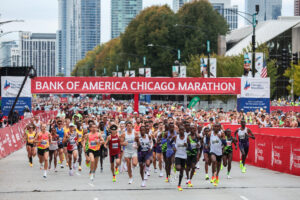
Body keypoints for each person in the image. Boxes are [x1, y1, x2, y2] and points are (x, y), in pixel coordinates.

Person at [174, 125, 187, 191]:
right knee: (178, 168)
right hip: (177, 155)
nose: (181, 131)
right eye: (180, 130)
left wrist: (187, 145)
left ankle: (179, 184)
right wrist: (174, 148)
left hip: (184, 156)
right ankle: (175, 166)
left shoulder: (186, 138)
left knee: (181, 171)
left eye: (183, 130)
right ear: (179, 131)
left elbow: (189, 146)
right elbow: (172, 143)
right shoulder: (176, 137)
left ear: (184, 131)